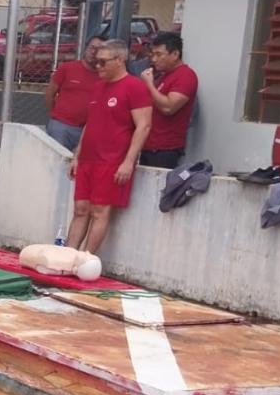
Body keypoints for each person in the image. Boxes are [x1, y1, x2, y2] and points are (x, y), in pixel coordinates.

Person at [66, 40, 153, 254]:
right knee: (80, 209)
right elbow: (90, 123)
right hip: (89, 158)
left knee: (99, 210)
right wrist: (77, 155)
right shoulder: (98, 88)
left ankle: (85, 259)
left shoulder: (134, 87)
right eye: (96, 62)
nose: (98, 67)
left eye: (103, 62)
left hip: (111, 160)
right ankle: (67, 256)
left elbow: (144, 125)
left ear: (120, 60)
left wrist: (128, 161)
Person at [137, 31, 198, 168]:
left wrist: (149, 84)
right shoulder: (162, 77)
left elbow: (168, 107)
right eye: (153, 54)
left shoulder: (185, 76)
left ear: (175, 54)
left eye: (159, 54)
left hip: (164, 149)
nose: (154, 59)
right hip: (148, 146)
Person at [43, 36, 104, 151]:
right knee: (56, 162)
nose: (93, 52)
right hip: (61, 127)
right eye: (92, 47)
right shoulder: (67, 68)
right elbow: (49, 93)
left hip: (87, 131)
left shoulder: (104, 76)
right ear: (86, 48)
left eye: (99, 50)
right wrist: (55, 116)